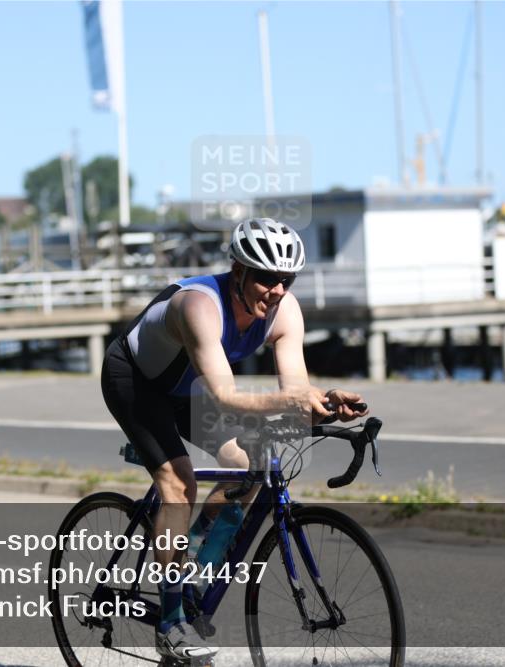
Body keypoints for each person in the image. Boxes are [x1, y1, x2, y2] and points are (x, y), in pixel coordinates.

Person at [101, 217, 367, 660]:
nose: (277, 290)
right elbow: (226, 396)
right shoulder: (198, 305)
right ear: (238, 271)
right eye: (266, 278)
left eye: (286, 280)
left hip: (190, 390)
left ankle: (194, 563)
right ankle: (169, 624)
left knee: (250, 469)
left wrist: (324, 401)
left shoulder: (285, 311)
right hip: (136, 381)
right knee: (179, 484)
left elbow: (294, 388)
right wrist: (296, 399)